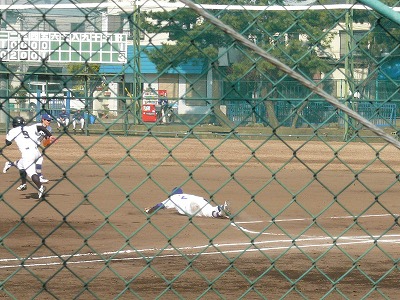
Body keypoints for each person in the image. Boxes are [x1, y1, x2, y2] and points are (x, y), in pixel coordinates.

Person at [4, 116, 54, 199]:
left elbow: (8, 143)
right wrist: (50, 135)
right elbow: (40, 127)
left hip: (27, 153)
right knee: (21, 165)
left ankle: (40, 187)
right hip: (36, 151)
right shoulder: (29, 127)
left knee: (31, 173)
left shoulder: (13, 130)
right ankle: (23, 184)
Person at [144, 187, 231, 218]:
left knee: (205, 213)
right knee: (208, 210)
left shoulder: (173, 198)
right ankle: (221, 208)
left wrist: (151, 210)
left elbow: (161, 205)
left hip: (190, 206)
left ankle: (219, 214)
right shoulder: (186, 195)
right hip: (200, 200)